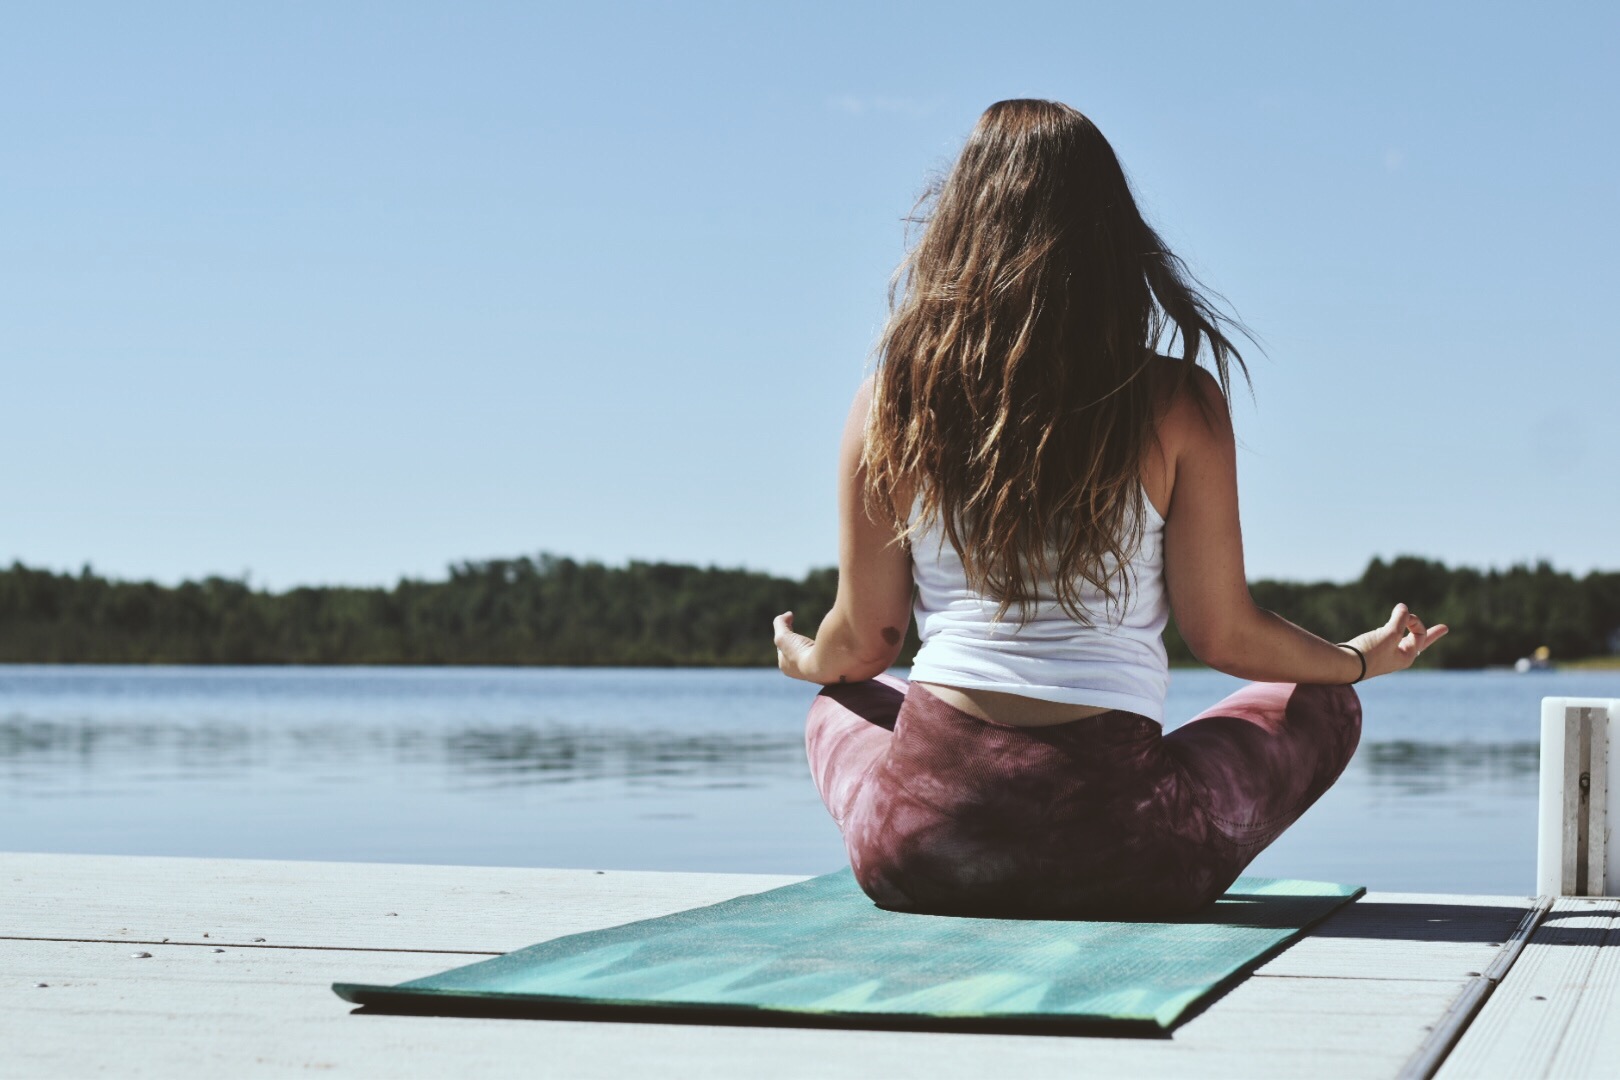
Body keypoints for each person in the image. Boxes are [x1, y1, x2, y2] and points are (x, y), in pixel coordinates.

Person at [770, 99, 1448, 919]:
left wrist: (803, 657)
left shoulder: (890, 401)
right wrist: (1357, 660)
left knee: (838, 704)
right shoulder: (1177, 400)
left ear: (957, 231)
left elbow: (867, 643)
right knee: (1326, 703)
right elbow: (1221, 634)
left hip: (921, 848)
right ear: (1112, 237)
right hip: (1128, 853)